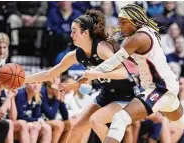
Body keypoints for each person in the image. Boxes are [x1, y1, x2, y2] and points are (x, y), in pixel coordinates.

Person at [81, 4, 184, 143]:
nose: (120, 26)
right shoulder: (142, 33)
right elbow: (122, 50)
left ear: (135, 21)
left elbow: (113, 61)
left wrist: (93, 73)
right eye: (119, 22)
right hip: (164, 84)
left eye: (123, 22)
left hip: (160, 87)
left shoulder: (139, 38)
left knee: (120, 118)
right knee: (182, 120)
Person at [24, 10, 139, 143]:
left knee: (96, 121)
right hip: (107, 94)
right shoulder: (77, 55)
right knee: (76, 128)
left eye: (74, 31)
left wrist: (96, 74)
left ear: (85, 33)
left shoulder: (101, 48)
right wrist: (24, 79)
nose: (71, 34)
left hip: (127, 96)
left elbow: (123, 73)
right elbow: (49, 74)